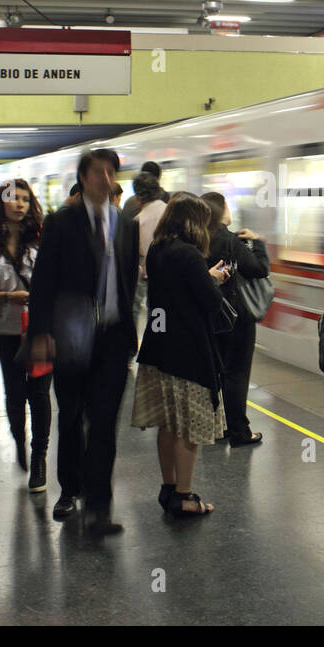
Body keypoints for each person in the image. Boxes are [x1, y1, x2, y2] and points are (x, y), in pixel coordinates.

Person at [28, 148, 139, 532]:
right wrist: (42, 333)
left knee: (105, 421)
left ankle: (99, 507)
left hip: (111, 338)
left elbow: (126, 284)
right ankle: (69, 490)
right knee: (72, 418)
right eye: (97, 173)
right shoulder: (61, 223)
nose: (105, 179)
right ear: (84, 177)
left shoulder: (126, 224)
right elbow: (43, 281)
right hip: (70, 336)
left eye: (111, 173)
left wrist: (129, 337)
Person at [131, 193, 231, 516]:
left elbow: (175, 291)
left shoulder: (158, 250)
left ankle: (169, 488)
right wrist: (213, 280)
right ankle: (186, 496)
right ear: (193, 222)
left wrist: (206, 276)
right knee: (189, 428)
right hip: (188, 352)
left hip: (160, 348)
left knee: (169, 424)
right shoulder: (188, 254)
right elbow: (209, 303)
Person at [0, 179, 51, 493]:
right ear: (1, 203)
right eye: (13, 198)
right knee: (14, 392)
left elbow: (57, 277)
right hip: (5, 329)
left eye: (24, 198)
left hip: (40, 329)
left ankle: (40, 457)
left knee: (40, 392)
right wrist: (5, 297)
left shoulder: (43, 238)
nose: (19, 204)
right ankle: (18, 439)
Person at [201, 191, 269, 447]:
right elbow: (259, 269)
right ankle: (239, 431)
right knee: (237, 374)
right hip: (236, 318)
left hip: (210, 315)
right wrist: (259, 242)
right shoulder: (231, 241)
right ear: (220, 212)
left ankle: (215, 426)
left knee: (217, 373)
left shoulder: (198, 240)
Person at [133, 172, 168, 327]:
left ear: (138, 196)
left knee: (144, 312)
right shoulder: (170, 211)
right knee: (161, 316)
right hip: (168, 276)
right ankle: (160, 344)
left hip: (147, 276)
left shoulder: (138, 221)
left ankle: (136, 347)